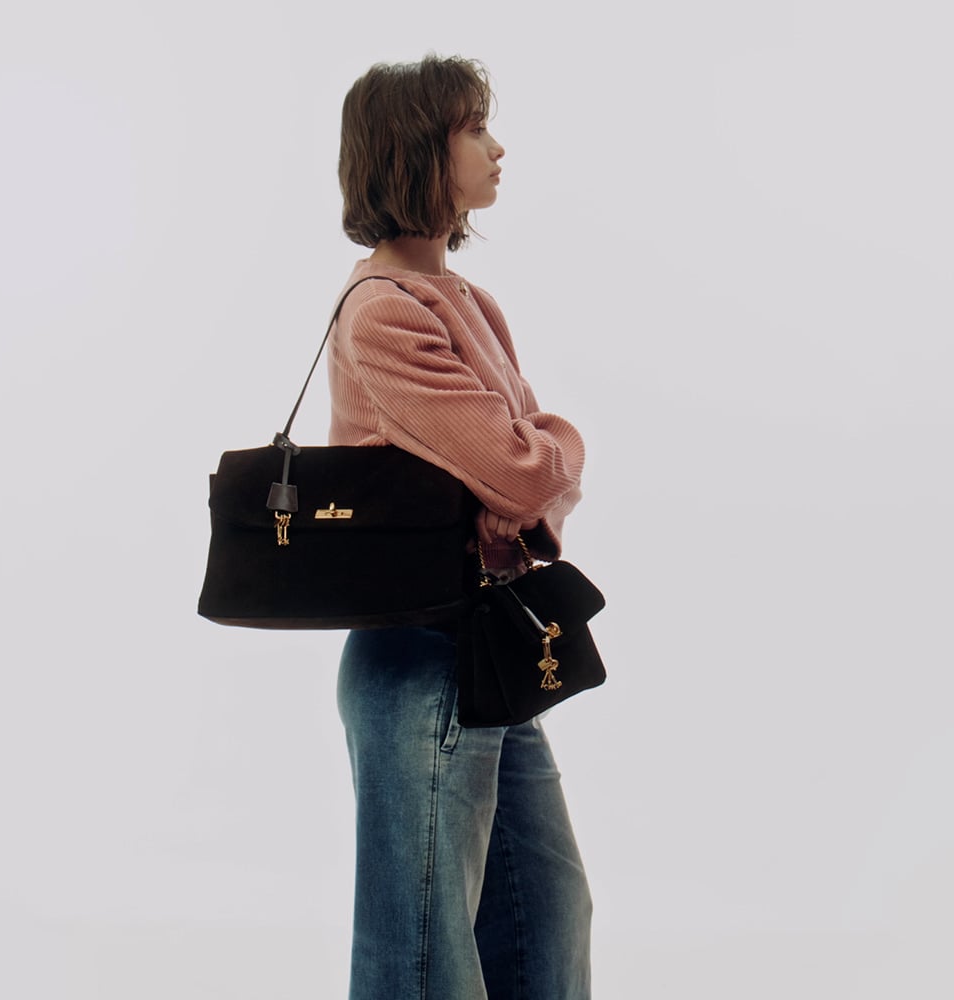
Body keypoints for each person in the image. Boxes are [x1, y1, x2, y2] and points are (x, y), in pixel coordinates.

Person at [329, 55, 592, 999]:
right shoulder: (382, 315)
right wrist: (548, 453)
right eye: (474, 130)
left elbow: (525, 474)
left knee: (546, 920)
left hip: (490, 646)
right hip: (419, 655)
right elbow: (527, 467)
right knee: (424, 959)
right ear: (415, 151)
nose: (497, 148)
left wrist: (530, 465)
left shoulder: (472, 305)